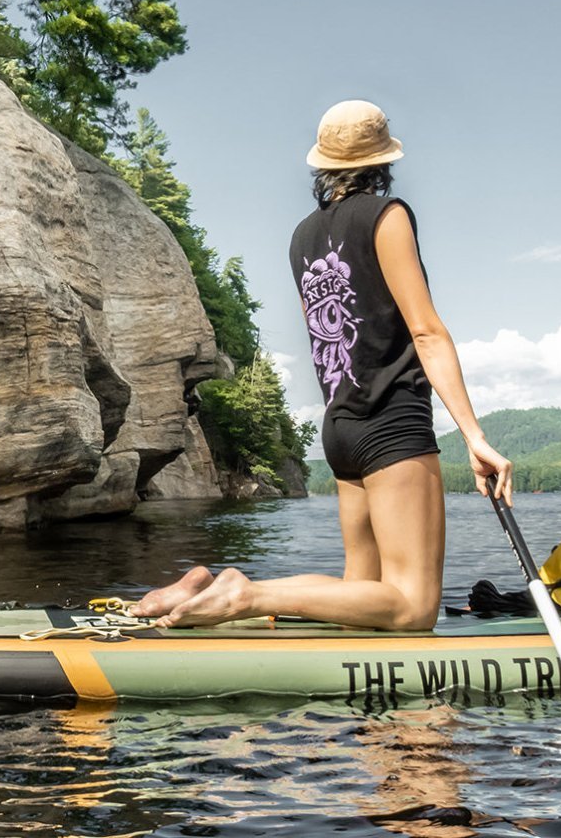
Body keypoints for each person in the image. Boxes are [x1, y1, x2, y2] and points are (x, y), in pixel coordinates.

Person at [131, 100, 512, 632]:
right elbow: (425, 330)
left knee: (364, 595)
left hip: (341, 428)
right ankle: (245, 592)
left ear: (324, 164)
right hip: (392, 421)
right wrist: (474, 437)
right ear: (382, 161)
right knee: (412, 607)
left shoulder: (302, 236)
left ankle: (210, 594)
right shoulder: (388, 215)